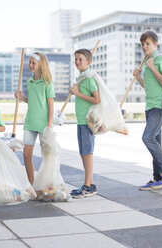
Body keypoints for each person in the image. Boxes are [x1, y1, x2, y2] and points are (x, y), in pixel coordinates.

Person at [133, 31, 162, 191]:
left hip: (159, 106)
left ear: (156, 44)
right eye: (142, 44)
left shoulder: (161, 59)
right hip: (149, 106)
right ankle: (158, 178)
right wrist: (138, 77)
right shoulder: (147, 62)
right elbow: (148, 87)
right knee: (156, 142)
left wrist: (152, 67)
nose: (144, 47)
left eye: (147, 44)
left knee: (148, 138)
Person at [15, 52, 55, 185]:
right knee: (26, 155)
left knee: (47, 156)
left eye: (33, 63)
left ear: (41, 64)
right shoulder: (29, 82)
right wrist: (21, 98)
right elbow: (32, 101)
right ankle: (31, 184)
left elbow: (50, 104)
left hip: (44, 124)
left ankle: (47, 183)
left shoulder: (47, 83)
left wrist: (49, 125)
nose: (30, 65)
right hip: (30, 122)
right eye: (30, 62)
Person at [70, 49, 100, 198]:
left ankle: (87, 186)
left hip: (87, 122)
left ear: (88, 62)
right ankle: (91, 184)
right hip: (81, 121)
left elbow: (97, 99)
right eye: (75, 59)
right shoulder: (81, 79)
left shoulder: (89, 79)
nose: (77, 62)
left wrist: (78, 93)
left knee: (87, 153)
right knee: (83, 153)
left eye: (80, 59)